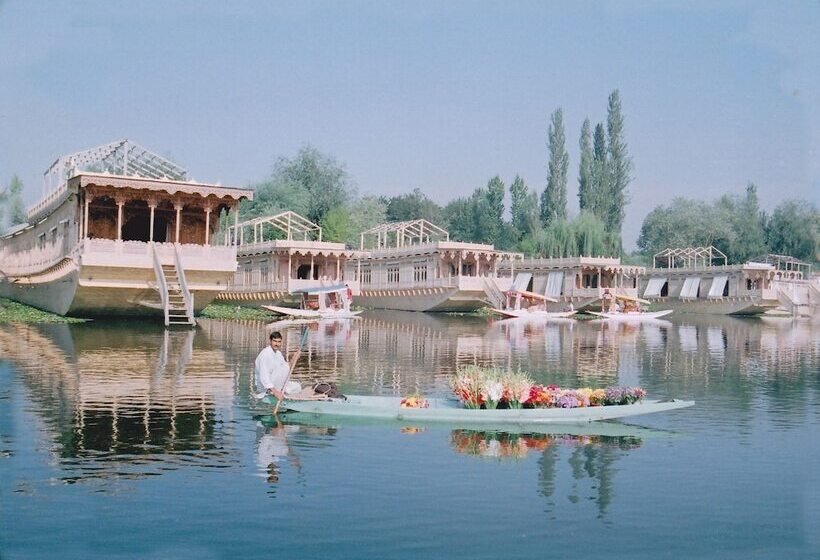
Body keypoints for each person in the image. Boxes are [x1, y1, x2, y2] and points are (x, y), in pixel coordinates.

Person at [254, 331, 317, 401]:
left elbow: (287, 368)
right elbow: (264, 377)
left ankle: (283, 393)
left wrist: (294, 358)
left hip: (278, 385)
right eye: (275, 341)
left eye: (279, 342)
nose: (277, 344)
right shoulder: (265, 355)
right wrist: (276, 392)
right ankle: (274, 393)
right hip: (266, 388)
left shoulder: (278, 354)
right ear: (270, 341)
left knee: (297, 387)